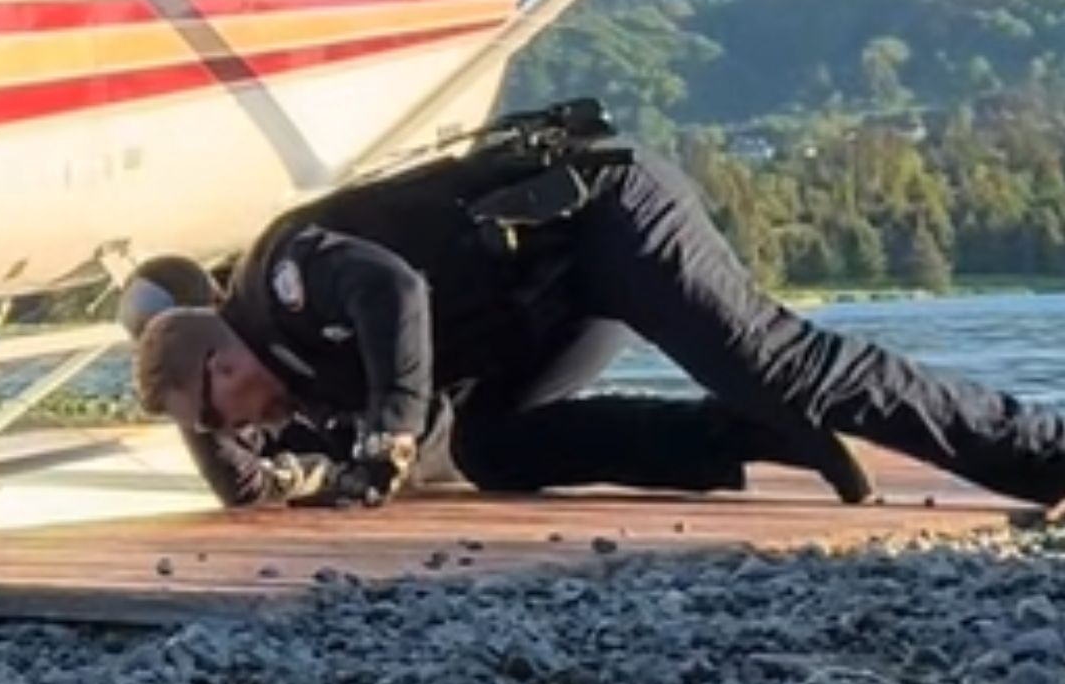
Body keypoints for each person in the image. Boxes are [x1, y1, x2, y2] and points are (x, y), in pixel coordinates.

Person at [131, 98, 1065, 514]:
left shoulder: (281, 273)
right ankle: (760, 437)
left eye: (221, 411)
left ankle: (1039, 455)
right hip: (553, 303)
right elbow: (246, 486)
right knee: (491, 446)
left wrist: (391, 435)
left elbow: (393, 290)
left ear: (225, 361)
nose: (238, 430)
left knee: (772, 361)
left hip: (606, 220)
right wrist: (180, 385)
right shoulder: (275, 371)